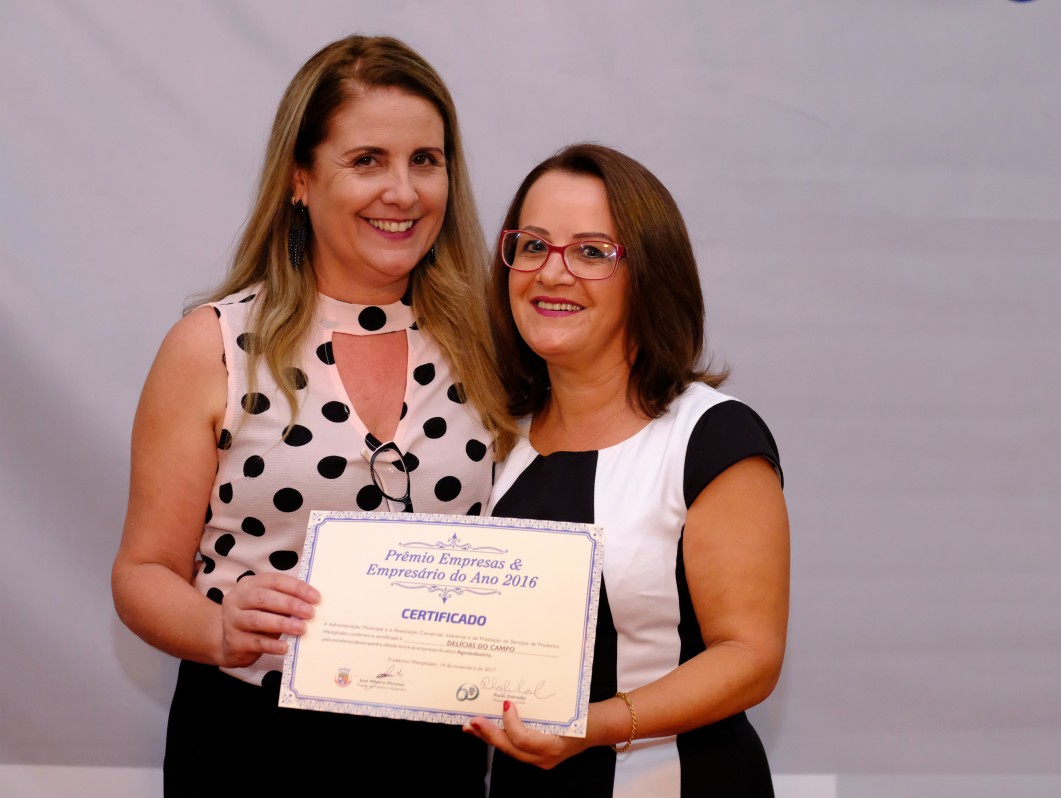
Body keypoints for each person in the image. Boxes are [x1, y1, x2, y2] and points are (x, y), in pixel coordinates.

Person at [111, 35, 515, 794]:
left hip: (438, 756)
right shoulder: (215, 345)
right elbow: (142, 572)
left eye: (425, 161)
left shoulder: (492, 348)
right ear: (300, 178)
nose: (403, 192)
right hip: (250, 746)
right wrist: (218, 628)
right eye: (367, 160)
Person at [465, 144, 790, 797]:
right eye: (533, 246)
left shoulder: (710, 438)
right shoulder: (486, 435)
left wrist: (592, 727)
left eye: (591, 252)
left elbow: (749, 656)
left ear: (650, 275)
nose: (552, 273)